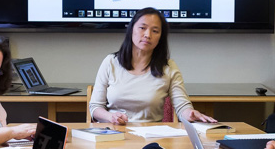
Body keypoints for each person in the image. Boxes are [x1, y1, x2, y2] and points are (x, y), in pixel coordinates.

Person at [88, 9, 217, 124]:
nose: (148, 35)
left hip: (151, 137)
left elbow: (182, 107)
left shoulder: (168, 67)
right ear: (131, 29)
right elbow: (95, 107)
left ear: (160, 37)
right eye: (142, 28)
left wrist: (190, 113)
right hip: (113, 132)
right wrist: (110, 117)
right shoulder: (111, 61)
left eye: (155, 31)